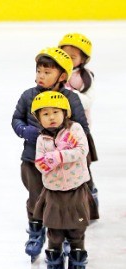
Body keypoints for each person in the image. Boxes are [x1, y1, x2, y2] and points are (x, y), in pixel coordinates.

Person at [11, 47, 96, 263]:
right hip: (33, 160)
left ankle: (67, 231)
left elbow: (82, 128)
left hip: (65, 166)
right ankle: (36, 230)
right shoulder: (29, 95)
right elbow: (16, 120)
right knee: (36, 198)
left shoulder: (70, 98)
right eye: (39, 71)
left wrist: (68, 141)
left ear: (63, 76)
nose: (41, 76)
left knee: (64, 200)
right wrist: (25, 131)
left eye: (47, 72)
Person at [30, 91, 92, 269]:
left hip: (76, 189)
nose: (51, 117)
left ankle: (77, 266)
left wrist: (59, 156)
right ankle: (54, 266)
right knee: (54, 232)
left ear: (65, 112)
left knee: (76, 231)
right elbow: (39, 163)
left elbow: (82, 150)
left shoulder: (75, 129)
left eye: (56, 112)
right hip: (54, 192)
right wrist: (46, 162)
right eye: (45, 114)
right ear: (39, 118)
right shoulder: (42, 138)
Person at [58, 32, 99, 207]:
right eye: (65, 54)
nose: (67, 59)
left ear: (82, 60)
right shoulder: (56, 72)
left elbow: (87, 101)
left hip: (79, 131)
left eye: (73, 57)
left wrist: (67, 92)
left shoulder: (84, 77)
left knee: (82, 166)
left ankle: (91, 199)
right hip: (57, 129)